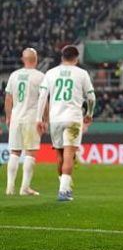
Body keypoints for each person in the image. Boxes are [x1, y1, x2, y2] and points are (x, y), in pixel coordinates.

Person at [36, 45, 95, 202]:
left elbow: (42, 96)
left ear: (62, 57)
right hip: (73, 118)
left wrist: (39, 119)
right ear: (76, 58)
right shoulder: (82, 73)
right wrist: (89, 114)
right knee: (69, 154)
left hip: (55, 119)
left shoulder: (50, 73)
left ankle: (65, 187)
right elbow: (91, 97)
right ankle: (63, 191)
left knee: (60, 155)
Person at [4, 48, 45, 196]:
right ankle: (25, 188)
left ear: (23, 59)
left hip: (16, 117)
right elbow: (44, 100)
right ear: (36, 59)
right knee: (30, 152)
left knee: (14, 152)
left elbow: (8, 99)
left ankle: (10, 188)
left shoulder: (14, 75)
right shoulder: (40, 77)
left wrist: (8, 117)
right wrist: (44, 119)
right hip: (32, 118)